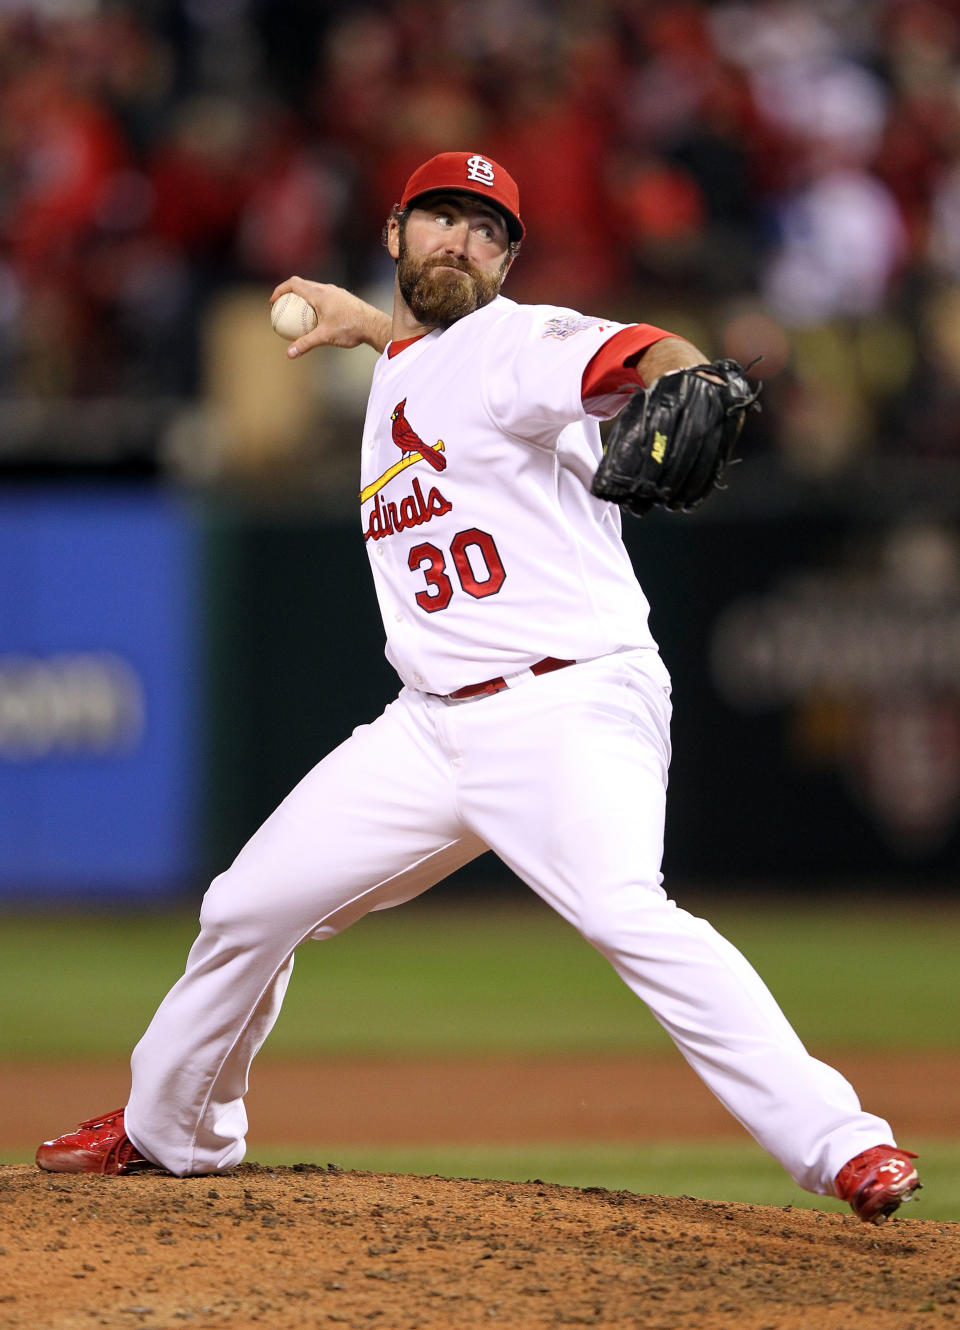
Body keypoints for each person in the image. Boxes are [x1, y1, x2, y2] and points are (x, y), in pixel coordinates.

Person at [37, 151, 920, 1224]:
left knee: (627, 911)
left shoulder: (519, 341)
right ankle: (173, 1130)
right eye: (443, 219)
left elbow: (639, 352)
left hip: (568, 704)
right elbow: (424, 354)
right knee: (243, 906)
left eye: (486, 229)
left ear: (509, 258)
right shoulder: (415, 358)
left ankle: (845, 1145)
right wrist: (369, 326)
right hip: (427, 726)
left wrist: (687, 373)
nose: (462, 240)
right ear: (398, 230)